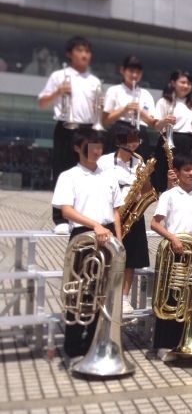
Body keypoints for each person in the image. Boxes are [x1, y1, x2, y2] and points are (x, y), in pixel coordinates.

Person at [51, 129, 123, 357]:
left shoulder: (109, 176)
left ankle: (93, 345)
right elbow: (66, 211)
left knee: (101, 293)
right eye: (91, 146)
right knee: (78, 292)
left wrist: (119, 240)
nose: (96, 151)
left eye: (99, 146)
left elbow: (116, 211)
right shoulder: (69, 176)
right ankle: (73, 348)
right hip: (83, 236)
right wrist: (95, 225)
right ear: (77, 148)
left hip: (108, 236)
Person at [37, 36, 101, 233]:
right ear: (69, 54)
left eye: (87, 51)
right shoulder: (59, 76)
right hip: (65, 128)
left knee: (89, 173)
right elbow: (41, 102)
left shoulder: (94, 81)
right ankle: (60, 219)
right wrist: (58, 91)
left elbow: (98, 110)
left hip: (88, 129)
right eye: (80, 50)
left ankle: (83, 216)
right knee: (62, 172)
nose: (84, 55)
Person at [149, 153, 192, 360]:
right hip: (174, 252)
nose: (191, 173)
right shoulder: (169, 195)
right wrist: (173, 238)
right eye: (186, 170)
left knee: (190, 297)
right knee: (170, 297)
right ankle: (163, 344)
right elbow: (155, 223)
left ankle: (185, 342)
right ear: (177, 171)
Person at [97, 123, 149, 314]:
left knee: (131, 258)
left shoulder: (139, 162)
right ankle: (103, 293)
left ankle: (124, 298)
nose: (133, 144)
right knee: (107, 254)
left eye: (136, 140)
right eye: (129, 140)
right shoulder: (104, 161)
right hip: (110, 212)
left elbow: (146, 190)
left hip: (133, 213)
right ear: (118, 141)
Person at [152, 70, 192, 193]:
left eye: (189, 83)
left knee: (183, 173)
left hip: (187, 142)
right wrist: (164, 120)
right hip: (169, 140)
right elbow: (156, 126)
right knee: (165, 172)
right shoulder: (164, 102)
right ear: (173, 83)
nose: (186, 86)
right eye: (182, 82)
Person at [102, 55, 156, 156]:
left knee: (139, 162)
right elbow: (105, 121)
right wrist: (124, 109)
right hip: (119, 131)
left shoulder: (146, 94)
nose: (134, 75)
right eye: (131, 71)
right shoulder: (113, 90)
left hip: (140, 132)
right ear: (122, 71)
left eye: (138, 72)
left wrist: (140, 112)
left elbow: (152, 123)